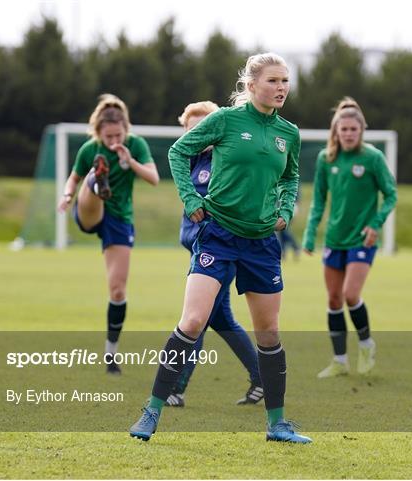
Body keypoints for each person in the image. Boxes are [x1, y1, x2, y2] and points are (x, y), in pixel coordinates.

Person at [130, 53, 311, 443]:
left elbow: (291, 176)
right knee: (193, 321)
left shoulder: (289, 133)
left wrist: (285, 208)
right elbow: (178, 153)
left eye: (285, 81)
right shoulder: (226, 120)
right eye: (273, 81)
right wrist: (190, 201)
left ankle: (277, 424)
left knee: (269, 332)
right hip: (218, 235)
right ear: (251, 85)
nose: (281, 88)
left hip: (262, 242)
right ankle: (151, 412)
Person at [165, 100, 263, 407]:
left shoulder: (223, 165)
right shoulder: (190, 164)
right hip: (201, 253)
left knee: (195, 320)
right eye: (190, 128)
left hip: (219, 254)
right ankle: (263, 379)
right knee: (222, 322)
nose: (197, 133)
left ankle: (175, 388)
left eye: (202, 126)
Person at [58, 93, 159, 374]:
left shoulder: (136, 145)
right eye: (109, 137)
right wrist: (67, 195)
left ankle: (111, 353)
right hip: (90, 212)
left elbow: (153, 178)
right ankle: (96, 180)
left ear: (126, 130)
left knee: (117, 289)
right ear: (98, 133)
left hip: (119, 220)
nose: (114, 141)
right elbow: (72, 177)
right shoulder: (90, 149)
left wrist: (130, 162)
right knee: (89, 182)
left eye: (118, 135)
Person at [302, 97, 397, 378]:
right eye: (343, 130)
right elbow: (318, 200)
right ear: (336, 131)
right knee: (333, 300)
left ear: (361, 130)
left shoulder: (373, 158)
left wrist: (375, 223)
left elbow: (390, 194)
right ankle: (339, 361)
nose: (348, 134)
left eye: (353, 130)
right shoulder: (325, 158)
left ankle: (367, 345)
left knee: (350, 294)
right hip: (334, 239)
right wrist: (309, 234)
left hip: (362, 239)